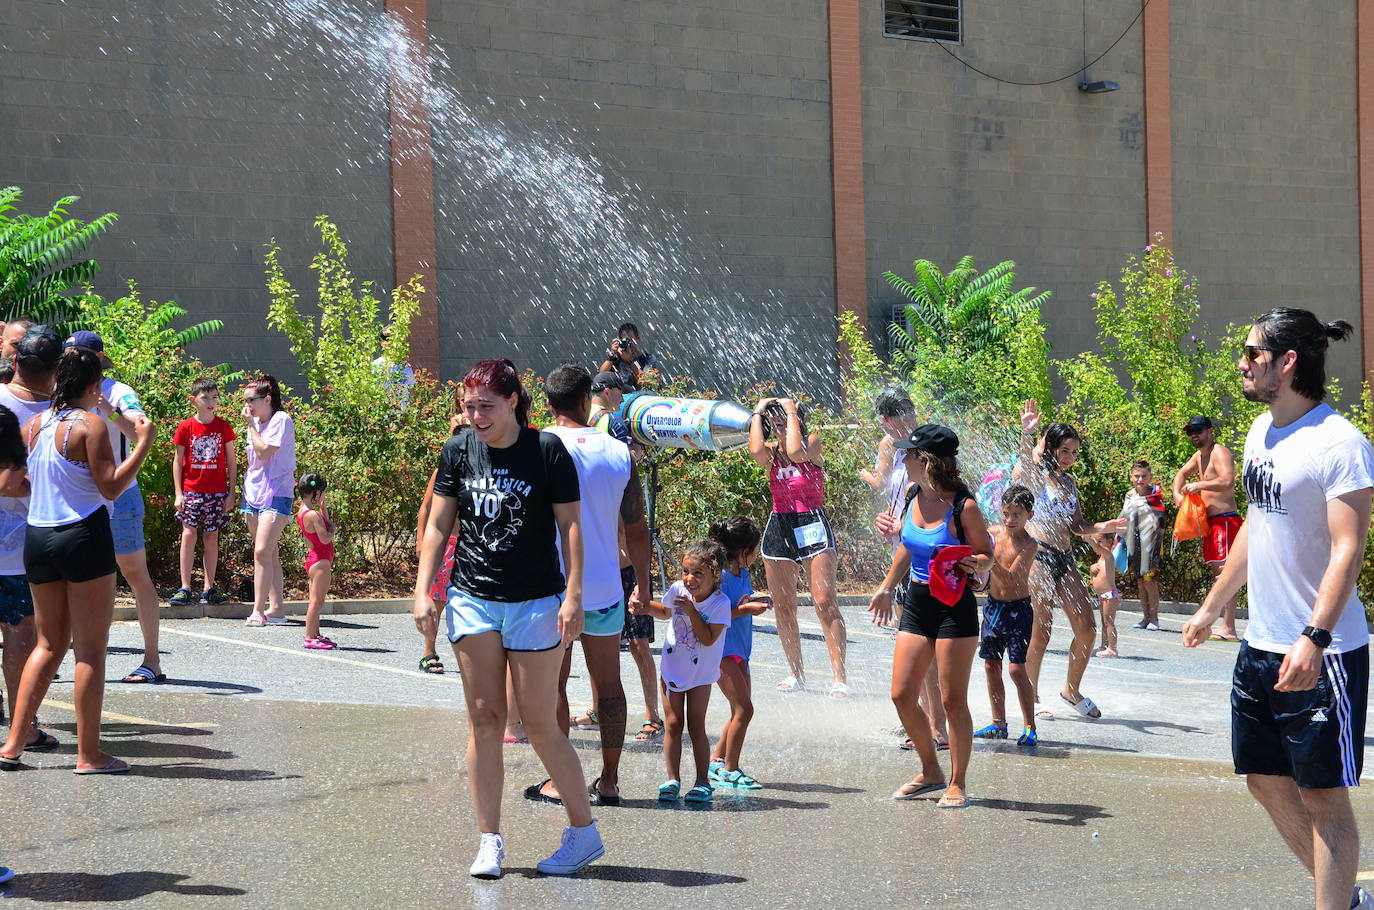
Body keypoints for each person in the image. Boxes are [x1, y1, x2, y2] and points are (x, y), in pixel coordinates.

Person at [1182, 309, 1374, 910]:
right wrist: (1215, 605)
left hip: (1325, 651)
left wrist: (1314, 637)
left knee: (1323, 796)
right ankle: (1343, 896)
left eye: (1252, 353)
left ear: (1287, 362)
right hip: (1260, 647)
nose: (1241, 362)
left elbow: (1350, 546)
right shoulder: (1260, 433)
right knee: (1264, 780)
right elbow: (1256, 528)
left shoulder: (1339, 442)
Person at [413, 358, 602, 879]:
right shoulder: (459, 450)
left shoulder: (547, 451)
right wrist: (423, 589)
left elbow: (572, 529)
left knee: (540, 724)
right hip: (473, 597)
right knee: (485, 720)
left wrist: (574, 595)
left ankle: (583, 833)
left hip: (537, 601)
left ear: (514, 401)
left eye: (486, 406)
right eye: (468, 406)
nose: (475, 415)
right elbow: (438, 525)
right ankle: (489, 840)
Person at [0, 348, 153, 773]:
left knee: (48, 645)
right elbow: (110, 488)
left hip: (38, 538)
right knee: (90, 651)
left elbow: (13, 484)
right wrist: (143, 445)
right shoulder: (90, 425)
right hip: (82, 536)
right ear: (92, 387)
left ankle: (12, 745)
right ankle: (89, 755)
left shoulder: (33, 425)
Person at [525, 363, 651, 808]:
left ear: (547, 405)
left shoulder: (537, 447)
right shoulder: (619, 452)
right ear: (586, 401)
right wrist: (645, 589)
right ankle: (610, 781)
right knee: (609, 686)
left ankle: (560, 781)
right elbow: (637, 530)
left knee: (554, 688)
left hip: (551, 589)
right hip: (605, 588)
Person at [868, 424, 993, 809]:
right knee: (902, 694)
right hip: (919, 601)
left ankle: (957, 781)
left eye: (907, 454)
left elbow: (987, 552)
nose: (901, 459)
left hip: (954, 605)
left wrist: (975, 563)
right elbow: (908, 546)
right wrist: (888, 585)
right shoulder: (912, 493)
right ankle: (930, 770)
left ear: (925, 461)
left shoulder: (963, 506)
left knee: (953, 699)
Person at [1014, 401, 1126, 720]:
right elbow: (1024, 463)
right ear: (1050, 448)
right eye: (1065, 450)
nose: (1069, 457)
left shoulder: (1068, 482)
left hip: (1064, 557)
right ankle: (1031, 697)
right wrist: (1027, 434)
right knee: (1041, 630)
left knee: (1087, 628)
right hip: (1039, 556)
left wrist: (1102, 527)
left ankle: (1071, 690)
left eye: (1074, 452)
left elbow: (1076, 526)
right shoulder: (1036, 475)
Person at [63, 333, 163, 687]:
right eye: (70, 353)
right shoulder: (63, 394)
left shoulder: (118, 391)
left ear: (99, 358)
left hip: (120, 496)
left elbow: (141, 433)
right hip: (79, 496)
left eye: (81, 354)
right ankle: (78, 659)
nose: (75, 360)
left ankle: (152, 660)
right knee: (74, 577)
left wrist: (109, 410)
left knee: (136, 575)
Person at [867, 387, 949, 751]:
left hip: (929, 563)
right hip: (905, 555)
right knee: (913, 645)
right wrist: (888, 523)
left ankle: (937, 727)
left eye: (908, 410)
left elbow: (942, 507)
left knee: (926, 649)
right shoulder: (895, 448)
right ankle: (923, 718)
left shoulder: (926, 453)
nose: (908, 417)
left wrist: (905, 528)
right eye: (901, 413)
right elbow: (896, 499)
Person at [749, 396, 847, 696]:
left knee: (824, 600)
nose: (777, 419)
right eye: (774, 416)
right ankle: (795, 672)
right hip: (780, 524)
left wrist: (790, 408)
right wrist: (758, 410)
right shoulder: (770, 452)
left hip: (812, 522)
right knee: (784, 605)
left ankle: (839, 677)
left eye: (784, 415)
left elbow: (796, 451)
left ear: (796, 418)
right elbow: (755, 449)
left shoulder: (811, 443)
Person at [632, 540, 731, 804]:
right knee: (673, 724)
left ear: (715, 575)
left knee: (696, 726)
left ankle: (702, 781)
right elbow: (665, 612)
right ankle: (673, 778)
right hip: (673, 668)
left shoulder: (720, 604)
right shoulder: (677, 590)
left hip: (700, 674)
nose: (689, 579)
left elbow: (709, 638)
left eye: (698, 573)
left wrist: (691, 611)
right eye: (686, 571)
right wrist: (645, 607)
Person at [0, 326, 59, 747]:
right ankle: (25, 727)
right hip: (18, 545)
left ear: (16, 361)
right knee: (21, 635)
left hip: (28, 542)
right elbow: (8, 483)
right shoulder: (59, 413)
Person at [708, 516, 772, 789]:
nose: (757, 555)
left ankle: (716, 761)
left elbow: (742, 600)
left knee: (738, 710)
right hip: (721, 651)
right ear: (744, 552)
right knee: (745, 710)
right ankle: (731, 769)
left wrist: (756, 601)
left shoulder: (742, 574)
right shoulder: (719, 578)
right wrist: (745, 609)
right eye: (755, 550)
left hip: (741, 650)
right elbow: (713, 614)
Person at [974, 484, 1040, 746]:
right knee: (991, 665)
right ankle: (998, 723)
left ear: (1029, 516)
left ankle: (1030, 726)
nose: (1010, 520)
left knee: (1016, 670)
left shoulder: (1029, 544)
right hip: (993, 608)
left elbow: (1012, 575)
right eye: (1006, 513)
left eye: (1017, 514)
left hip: (1018, 611)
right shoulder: (991, 534)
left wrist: (988, 561)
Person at [168, 377, 237, 608]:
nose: (211, 402)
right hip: (191, 491)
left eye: (215, 397)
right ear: (193, 400)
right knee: (188, 535)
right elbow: (178, 462)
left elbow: (231, 462)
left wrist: (231, 492)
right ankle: (185, 587)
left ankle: (209, 588)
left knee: (211, 537)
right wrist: (179, 493)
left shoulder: (223, 426)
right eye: (205, 397)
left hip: (217, 492)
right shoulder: (186, 427)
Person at [1173, 415, 1242, 641]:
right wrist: (1177, 496)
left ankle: (1228, 627)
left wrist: (1199, 485)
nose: (1194, 435)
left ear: (1210, 431)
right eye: (1190, 432)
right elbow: (1181, 474)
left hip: (1225, 520)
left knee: (1225, 574)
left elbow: (1227, 481)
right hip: (1211, 523)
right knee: (1218, 573)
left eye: (1198, 431)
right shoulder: (1199, 456)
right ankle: (1224, 624)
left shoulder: (1219, 452)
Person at [240, 375, 296, 626]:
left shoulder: (281, 420)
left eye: (252, 400)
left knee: (261, 550)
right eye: (245, 401)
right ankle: (277, 609)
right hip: (254, 493)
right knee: (268, 552)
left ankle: (257, 610)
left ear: (268, 399)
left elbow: (264, 452)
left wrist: (251, 426)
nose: (247, 405)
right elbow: (253, 462)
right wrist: (253, 426)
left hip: (277, 493)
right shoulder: (256, 425)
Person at [1121, 460, 1165, 631]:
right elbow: (1125, 517)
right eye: (1137, 476)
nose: (1140, 479)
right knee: (1140, 582)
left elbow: (1160, 518)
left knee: (1150, 581)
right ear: (1131, 477)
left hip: (1151, 544)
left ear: (1150, 477)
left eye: (1144, 476)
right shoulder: (1130, 495)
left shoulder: (1155, 494)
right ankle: (1145, 617)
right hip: (1135, 542)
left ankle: (1154, 618)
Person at [296, 473, 336, 650]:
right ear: (317, 492)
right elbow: (326, 537)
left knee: (317, 600)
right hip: (320, 561)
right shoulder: (312, 515)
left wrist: (323, 508)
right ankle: (309, 637)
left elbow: (322, 524)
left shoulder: (304, 511)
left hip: (316, 559)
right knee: (316, 601)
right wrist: (333, 528)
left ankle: (316, 633)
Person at [1086, 533, 1122, 658]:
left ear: (1109, 541)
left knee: (1109, 622)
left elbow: (1097, 547)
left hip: (1110, 595)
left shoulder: (1108, 555)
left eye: (1099, 541)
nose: (1097, 544)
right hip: (1103, 595)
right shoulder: (1101, 559)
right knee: (1104, 622)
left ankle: (1112, 648)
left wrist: (1089, 539)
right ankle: (1104, 646)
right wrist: (1092, 568)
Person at [597, 322, 654, 391]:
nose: (628, 344)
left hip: (637, 396)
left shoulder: (647, 358)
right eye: (625, 341)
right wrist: (611, 356)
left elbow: (648, 383)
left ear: (637, 338)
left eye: (630, 340)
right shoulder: (615, 357)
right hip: (616, 397)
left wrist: (630, 361)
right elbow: (601, 377)